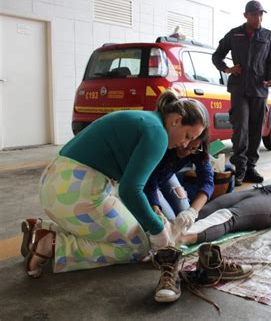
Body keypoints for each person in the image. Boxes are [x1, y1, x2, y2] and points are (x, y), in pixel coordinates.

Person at [21, 90, 208, 278]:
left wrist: (152, 218)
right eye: (187, 136)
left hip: (58, 184)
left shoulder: (149, 121)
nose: (185, 145)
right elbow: (130, 190)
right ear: (176, 120)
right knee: (138, 246)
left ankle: (40, 229)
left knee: (133, 229)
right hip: (75, 191)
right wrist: (158, 231)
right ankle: (53, 245)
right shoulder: (158, 134)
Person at [212, 0, 271, 186]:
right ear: (246, 15)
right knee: (241, 127)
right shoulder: (235, 34)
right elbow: (216, 56)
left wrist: (270, 77)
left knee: (256, 129)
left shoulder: (268, 36)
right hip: (239, 88)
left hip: (260, 89)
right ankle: (240, 168)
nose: (258, 18)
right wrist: (227, 69)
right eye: (254, 14)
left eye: (261, 14)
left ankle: (251, 166)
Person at [177, 176, 271, 246]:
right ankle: (170, 230)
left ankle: (180, 239)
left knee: (228, 216)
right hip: (257, 191)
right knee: (209, 208)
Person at [144, 135, 214, 224]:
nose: (187, 152)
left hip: (167, 175)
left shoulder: (199, 148)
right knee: (168, 221)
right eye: (185, 147)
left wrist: (192, 212)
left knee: (184, 216)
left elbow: (207, 180)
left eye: (193, 148)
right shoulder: (163, 143)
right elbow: (150, 181)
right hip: (147, 178)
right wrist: (155, 207)